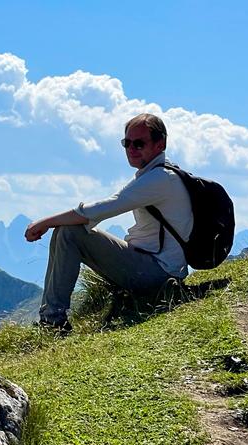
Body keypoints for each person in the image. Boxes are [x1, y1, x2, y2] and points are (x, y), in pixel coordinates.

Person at [24, 113, 192, 332]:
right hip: (158, 269)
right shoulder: (161, 174)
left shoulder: (158, 179)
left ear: (160, 144)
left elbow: (102, 208)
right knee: (67, 230)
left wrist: (45, 222)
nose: (131, 149)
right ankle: (51, 317)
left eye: (139, 143)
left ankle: (52, 321)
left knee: (70, 232)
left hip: (159, 276)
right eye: (127, 143)